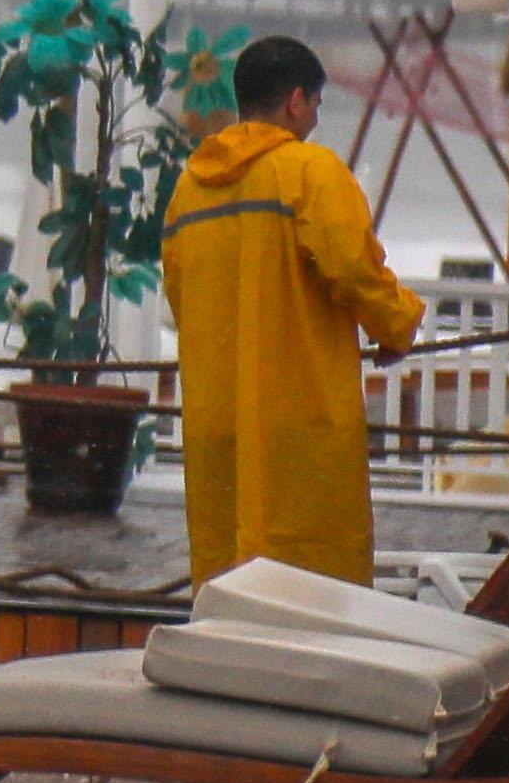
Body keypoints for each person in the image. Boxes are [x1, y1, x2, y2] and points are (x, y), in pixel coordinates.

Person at [155, 33, 425, 586]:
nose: (317, 119)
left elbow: (180, 297)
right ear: (296, 100)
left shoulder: (190, 190)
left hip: (217, 428)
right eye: (317, 105)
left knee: (228, 585)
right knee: (309, 590)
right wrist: (398, 324)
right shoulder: (310, 171)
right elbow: (353, 268)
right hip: (298, 427)